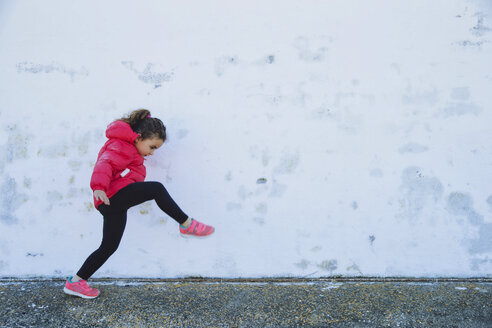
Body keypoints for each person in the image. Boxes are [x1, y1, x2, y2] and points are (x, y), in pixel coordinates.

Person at [63, 109, 214, 299]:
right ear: (139, 138)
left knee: (109, 246)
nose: (152, 153)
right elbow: (105, 163)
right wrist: (98, 187)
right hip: (110, 196)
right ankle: (186, 224)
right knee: (156, 189)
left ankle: (76, 282)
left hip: (114, 202)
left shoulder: (131, 150)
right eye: (152, 147)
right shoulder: (120, 145)